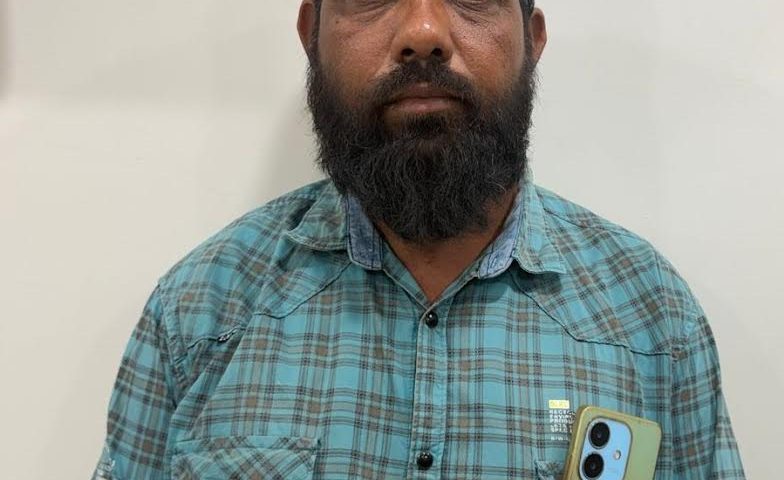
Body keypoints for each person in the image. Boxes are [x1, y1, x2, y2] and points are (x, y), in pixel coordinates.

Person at [93, 1, 746, 478]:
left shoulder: (654, 322)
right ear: (310, 34)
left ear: (533, 39)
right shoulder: (197, 314)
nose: (424, 33)